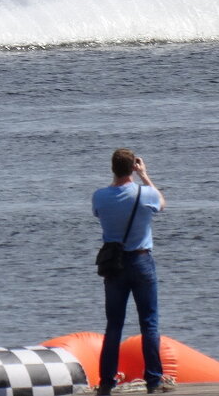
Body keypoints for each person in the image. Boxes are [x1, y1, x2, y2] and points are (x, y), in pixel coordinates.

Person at [92, 149, 169, 395]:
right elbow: (162, 203)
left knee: (113, 325)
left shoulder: (100, 196)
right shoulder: (145, 193)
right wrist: (145, 176)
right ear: (133, 167)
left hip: (114, 266)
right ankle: (154, 381)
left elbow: (100, 210)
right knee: (149, 322)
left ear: (113, 168)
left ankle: (106, 382)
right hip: (141, 261)